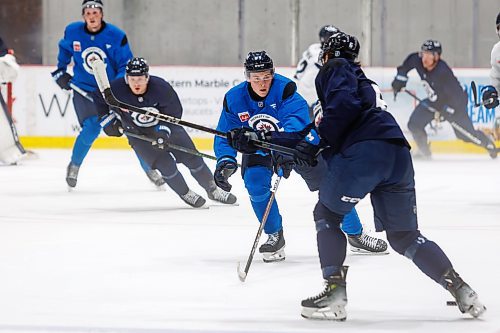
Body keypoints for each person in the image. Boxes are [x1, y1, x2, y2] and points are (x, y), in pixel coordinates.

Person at [228, 32, 486, 320]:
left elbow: (337, 117)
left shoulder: (336, 68)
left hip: (365, 152)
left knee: (326, 214)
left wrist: (311, 141)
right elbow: (322, 131)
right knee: (404, 236)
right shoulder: (360, 79)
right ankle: (462, 290)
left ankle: (334, 293)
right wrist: (262, 139)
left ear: (326, 55)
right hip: (397, 154)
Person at [213, 51, 387, 263]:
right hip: (259, 148)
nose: (262, 83)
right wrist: (226, 161)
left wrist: (284, 149)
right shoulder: (234, 98)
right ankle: (274, 235)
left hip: (297, 146)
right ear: (247, 77)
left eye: (266, 77)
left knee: (330, 187)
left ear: (273, 74)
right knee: (254, 183)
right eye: (256, 78)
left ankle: (356, 234)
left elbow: (295, 126)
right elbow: (225, 134)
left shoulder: (286, 90)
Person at [94, 57, 237, 207]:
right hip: (139, 135)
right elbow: (98, 96)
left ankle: (213, 189)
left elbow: (175, 113)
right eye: (132, 79)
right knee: (165, 165)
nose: (136, 83)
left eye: (140, 79)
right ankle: (185, 193)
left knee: (193, 159)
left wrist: (162, 131)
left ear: (147, 77)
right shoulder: (117, 89)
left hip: (169, 129)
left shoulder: (161, 88)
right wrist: (108, 121)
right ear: (126, 78)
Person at [51, 0, 164, 188]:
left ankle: (150, 167)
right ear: (83, 15)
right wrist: (61, 70)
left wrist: (114, 89)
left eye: (95, 12)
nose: (91, 16)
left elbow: (124, 65)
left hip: (111, 92)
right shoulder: (72, 31)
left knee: (133, 130)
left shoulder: (116, 35)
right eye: (88, 12)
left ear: (101, 14)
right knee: (91, 126)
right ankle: (75, 165)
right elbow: (64, 50)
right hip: (84, 89)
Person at [392, 39, 497, 159]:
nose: (424, 58)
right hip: (434, 102)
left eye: (428, 55)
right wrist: (400, 78)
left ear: (436, 56)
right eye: (423, 54)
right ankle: (424, 151)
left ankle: (487, 143)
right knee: (414, 124)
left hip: (455, 106)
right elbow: (408, 63)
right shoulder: (418, 60)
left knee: (465, 135)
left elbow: (458, 97)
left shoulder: (443, 72)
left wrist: (447, 111)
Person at [294, 25, 339, 118]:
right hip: (310, 92)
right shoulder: (318, 53)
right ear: (323, 38)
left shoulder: (313, 47)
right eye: (330, 38)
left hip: (305, 88)